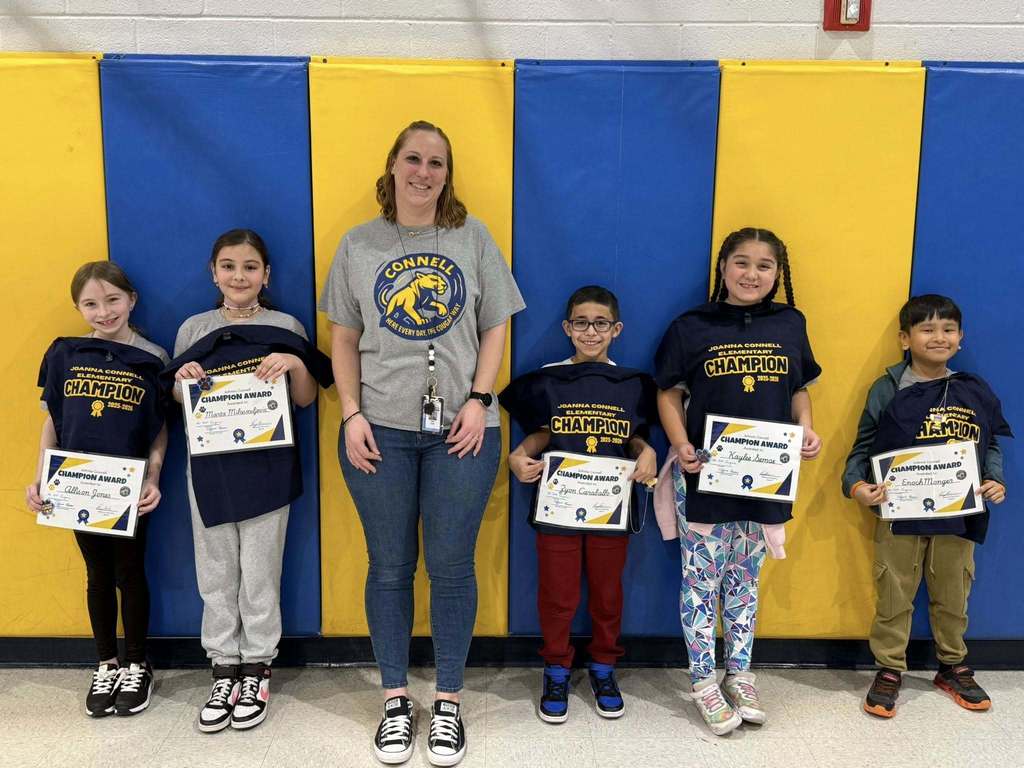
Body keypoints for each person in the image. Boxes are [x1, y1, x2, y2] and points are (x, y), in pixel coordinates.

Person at [319, 120, 524, 767]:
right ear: (393, 165)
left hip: (462, 433)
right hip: (377, 429)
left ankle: (450, 705)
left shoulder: (472, 235)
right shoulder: (358, 245)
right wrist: (351, 414)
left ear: (447, 174)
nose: (424, 172)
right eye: (413, 158)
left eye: (437, 162)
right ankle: (394, 701)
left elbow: (494, 326)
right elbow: (344, 340)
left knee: (452, 567)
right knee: (388, 567)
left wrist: (480, 398)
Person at [654, 227, 822, 735]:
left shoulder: (791, 324)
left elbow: (799, 391)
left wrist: (806, 430)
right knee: (701, 580)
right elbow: (667, 393)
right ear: (723, 267)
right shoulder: (691, 326)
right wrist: (681, 443)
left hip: (765, 478)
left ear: (778, 274)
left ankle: (740, 673)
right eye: (742, 263)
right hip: (705, 475)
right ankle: (704, 680)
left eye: (764, 266)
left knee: (745, 582)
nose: (752, 274)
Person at [167, 229, 331, 733]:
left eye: (250, 267)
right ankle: (223, 667)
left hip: (268, 469)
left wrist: (295, 361)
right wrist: (183, 381)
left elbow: (304, 398)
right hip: (211, 469)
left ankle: (257, 667)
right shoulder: (194, 326)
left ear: (267, 274)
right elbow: (176, 400)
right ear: (213, 272)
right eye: (229, 266)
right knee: (215, 570)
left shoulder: (285, 324)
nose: (240, 276)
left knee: (260, 572)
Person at [842, 294, 1010, 718]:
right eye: (927, 329)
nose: (939, 337)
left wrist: (994, 480)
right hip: (899, 512)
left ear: (961, 338)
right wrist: (857, 486)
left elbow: (988, 442)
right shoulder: (888, 387)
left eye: (948, 329)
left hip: (958, 513)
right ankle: (889, 669)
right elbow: (863, 446)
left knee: (954, 592)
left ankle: (952, 665)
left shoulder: (973, 389)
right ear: (905, 338)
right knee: (894, 591)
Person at [499, 285, 657, 724]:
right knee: (558, 594)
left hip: (611, 506)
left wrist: (646, 451)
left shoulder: (632, 384)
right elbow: (542, 435)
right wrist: (516, 455)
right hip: (558, 508)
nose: (591, 332)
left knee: (608, 592)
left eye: (601, 323)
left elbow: (633, 436)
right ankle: (556, 667)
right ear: (568, 328)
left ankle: (604, 665)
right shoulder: (547, 378)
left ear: (616, 329)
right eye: (581, 323)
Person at [27, 261, 168, 717]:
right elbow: (54, 419)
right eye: (91, 303)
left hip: (125, 488)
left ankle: (136, 663)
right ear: (78, 308)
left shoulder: (154, 358)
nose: (104, 312)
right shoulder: (65, 354)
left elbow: (160, 428)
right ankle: (106, 661)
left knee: (131, 573)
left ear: (131, 300)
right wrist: (41, 476)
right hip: (76, 485)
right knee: (97, 576)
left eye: (112, 300)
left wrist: (153, 477)